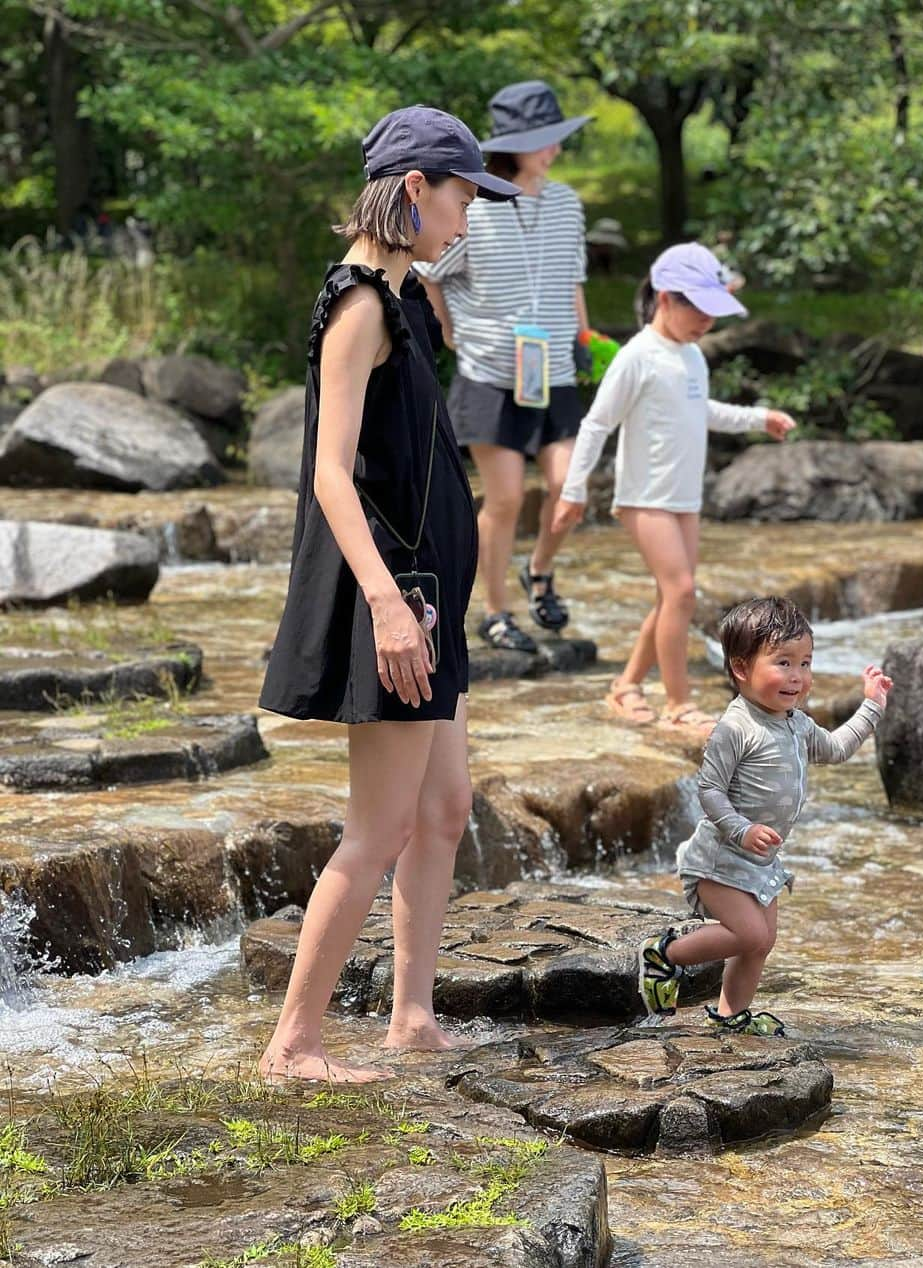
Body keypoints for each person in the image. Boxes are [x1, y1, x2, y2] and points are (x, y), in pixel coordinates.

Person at [257, 107, 519, 1082]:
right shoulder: (362, 304)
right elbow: (330, 472)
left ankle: (410, 1013)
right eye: (461, 199)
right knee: (378, 828)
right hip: (398, 595)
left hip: (432, 596)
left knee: (444, 809)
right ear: (416, 189)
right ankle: (293, 1043)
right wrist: (386, 603)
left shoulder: (408, 297)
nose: (469, 219)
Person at [551, 243, 797, 736]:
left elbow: (702, 411)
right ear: (666, 299)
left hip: (684, 497)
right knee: (681, 591)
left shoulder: (691, 358)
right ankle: (678, 704)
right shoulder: (637, 357)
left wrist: (758, 418)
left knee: (671, 598)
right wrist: (572, 490)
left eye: (714, 312)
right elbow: (597, 424)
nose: (707, 321)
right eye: (700, 310)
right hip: (645, 496)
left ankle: (626, 686)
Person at [636, 596, 893, 1035]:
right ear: (741, 668)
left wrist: (871, 707)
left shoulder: (794, 722)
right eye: (784, 663)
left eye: (805, 663)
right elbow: (710, 790)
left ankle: (730, 1014)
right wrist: (741, 829)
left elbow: (834, 749)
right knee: (750, 934)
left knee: (761, 943)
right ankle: (664, 955)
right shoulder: (736, 728)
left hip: (761, 861)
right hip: (720, 858)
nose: (798, 677)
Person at [415, 80, 592, 654]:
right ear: (513, 146)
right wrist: (447, 329)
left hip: (556, 370)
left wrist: (583, 336)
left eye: (555, 139)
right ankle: (495, 611)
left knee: (569, 487)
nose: (552, 150)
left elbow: (573, 276)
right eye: (540, 140)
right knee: (508, 498)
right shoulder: (477, 204)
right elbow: (431, 269)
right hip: (491, 371)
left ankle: (539, 570)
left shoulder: (567, 202)